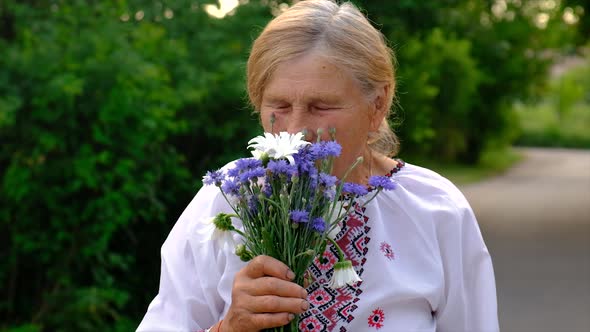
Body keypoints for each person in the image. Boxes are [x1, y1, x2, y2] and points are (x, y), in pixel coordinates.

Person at [137, 0, 499, 331]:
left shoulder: (434, 211)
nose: (297, 132)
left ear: (378, 103)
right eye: (278, 105)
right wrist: (229, 327)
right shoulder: (229, 199)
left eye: (321, 107)